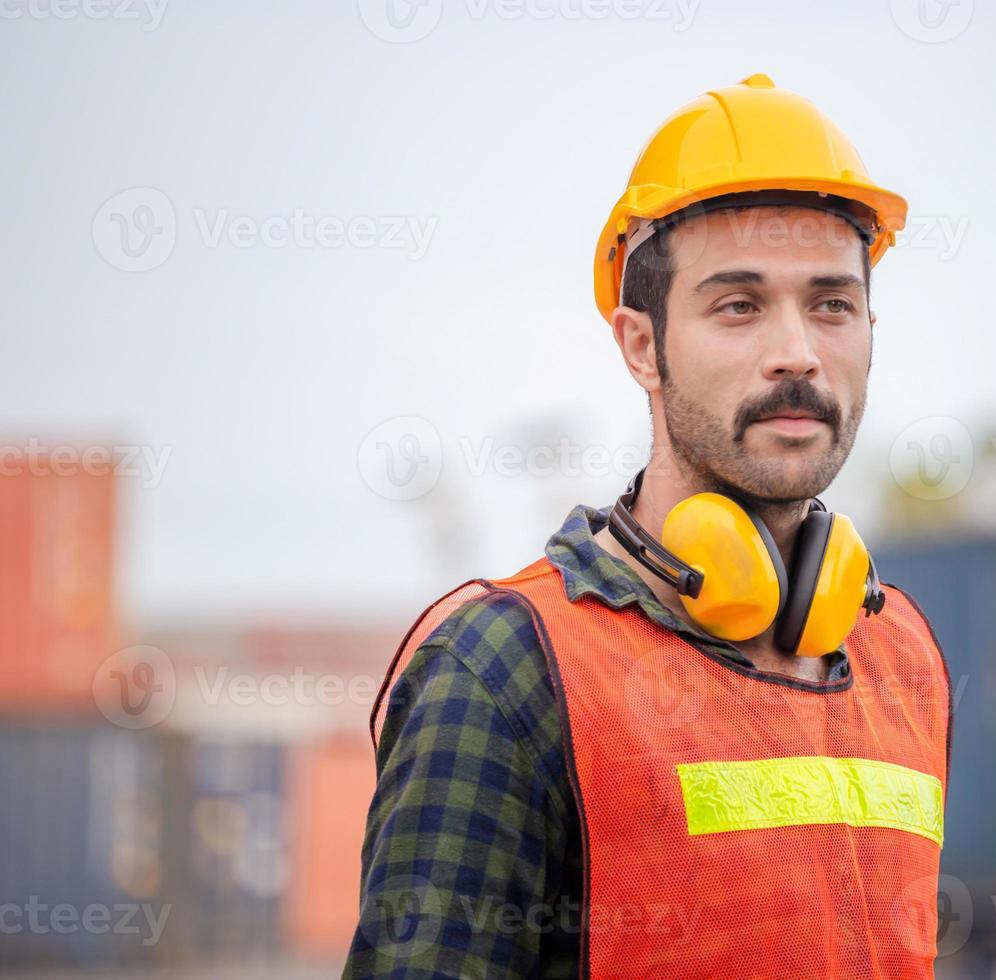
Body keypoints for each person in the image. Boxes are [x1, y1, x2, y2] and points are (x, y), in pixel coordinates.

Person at [344, 72, 952, 979]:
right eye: (738, 305)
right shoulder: (505, 671)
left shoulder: (902, 655)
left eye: (832, 303)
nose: (798, 350)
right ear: (641, 345)